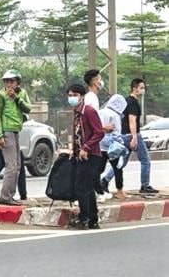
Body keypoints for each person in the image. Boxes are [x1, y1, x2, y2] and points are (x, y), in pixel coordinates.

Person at [110, 78, 158, 194]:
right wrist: (135, 137)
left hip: (124, 135)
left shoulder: (127, 101)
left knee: (122, 162)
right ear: (134, 88)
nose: (143, 90)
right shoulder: (133, 102)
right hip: (132, 135)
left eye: (144, 88)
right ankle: (145, 185)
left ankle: (105, 180)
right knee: (145, 160)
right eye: (141, 88)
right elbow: (132, 120)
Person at [66, 84, 104, 230]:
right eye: (70, 95)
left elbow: (98, 132)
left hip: (91, 155)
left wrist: (86, 148)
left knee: (82, 187)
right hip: (80, 155)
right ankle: (92, 219)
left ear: (82, 96)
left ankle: (85, 218)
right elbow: (77, 135)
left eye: (74, 95)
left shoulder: (88, 111)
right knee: (86, 187)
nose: (72, 98)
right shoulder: (76, 113)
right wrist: (73, 150)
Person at [0, 69, 32, 206]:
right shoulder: (0, 96)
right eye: (6, 81)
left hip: (16, 131)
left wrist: (17, 98)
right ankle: (5, 196)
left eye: (12, 81)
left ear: (17, 82)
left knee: (18, 166)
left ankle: (10, 194)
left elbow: (28, 108)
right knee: (11, 165)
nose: (9, 84)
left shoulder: (21, 94)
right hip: (6, 131)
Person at [83, 69, 115, 203]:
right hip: (92, 139)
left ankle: (96, 192)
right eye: (100, 79)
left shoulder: (91, 98)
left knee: (95, 167)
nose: (101, 82)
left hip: (94, 137)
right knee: (94, 167)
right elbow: (91, 122)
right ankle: (98, 192)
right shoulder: (91, 98)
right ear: (96, 82)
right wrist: (103, 128)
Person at [98, 94, 129, 200]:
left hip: (100, 145)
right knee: (118, 168)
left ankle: (96, 189)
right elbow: (116, 133)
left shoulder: (101, 111)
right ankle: (120, 191)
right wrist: (122, 145)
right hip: (112, 147)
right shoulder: (115, 115)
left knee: (98, 169)